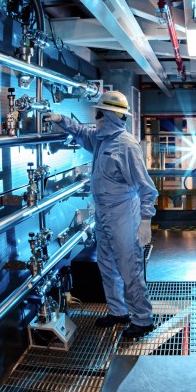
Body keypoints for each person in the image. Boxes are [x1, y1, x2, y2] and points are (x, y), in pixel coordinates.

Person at [46, 90, 158, 338]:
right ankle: (118, 312)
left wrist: (146, 221)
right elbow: (82, 132)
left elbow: (146, 187)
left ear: (107, 114)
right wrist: (60, 119)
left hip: (124, 214)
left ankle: (143, 319)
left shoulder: (126, 145)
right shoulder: (101, 138)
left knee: (130, 269)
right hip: (104, 213)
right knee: (106, 265)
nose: (94, 117)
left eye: (98, 112)